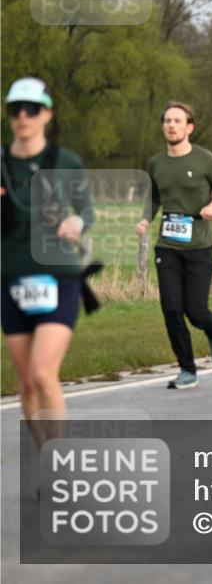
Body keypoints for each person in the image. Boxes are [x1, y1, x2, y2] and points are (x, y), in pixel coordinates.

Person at [1, 77, 94, 446]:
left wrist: (77, 221)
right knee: (25, 384)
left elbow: (86, 209)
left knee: (43, 373)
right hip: (10, 280)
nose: (23, 117)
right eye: (15, 110)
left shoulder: (66, 162)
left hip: (59, 279)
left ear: (47, 114)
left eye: (31, 109)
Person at [136, 101, 212, 388]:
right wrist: (145, 220)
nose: (171, 125)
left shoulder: (204, 159)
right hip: (167, 246)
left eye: (178, 121)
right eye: (167, 120)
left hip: (199, 245)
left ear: (189, 128)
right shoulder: (156, 163)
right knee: (171, 309)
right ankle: (187, 370)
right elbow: (153, 197)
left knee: (196, 311)